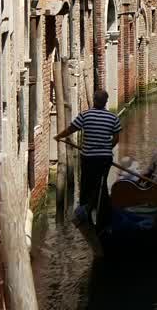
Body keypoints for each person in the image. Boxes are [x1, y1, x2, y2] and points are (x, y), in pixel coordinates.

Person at [54, 89, 121, 224]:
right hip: (104, 159)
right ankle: (101, 212)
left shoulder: (85, 115)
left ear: (94, 100)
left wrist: (58, 136)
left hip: (89, 157)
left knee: (86, 184)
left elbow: (71, 129)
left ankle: (85, 214)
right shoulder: (113, 118)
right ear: (106, 102)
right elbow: (116, 139)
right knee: (101, 184)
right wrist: (107, 148)